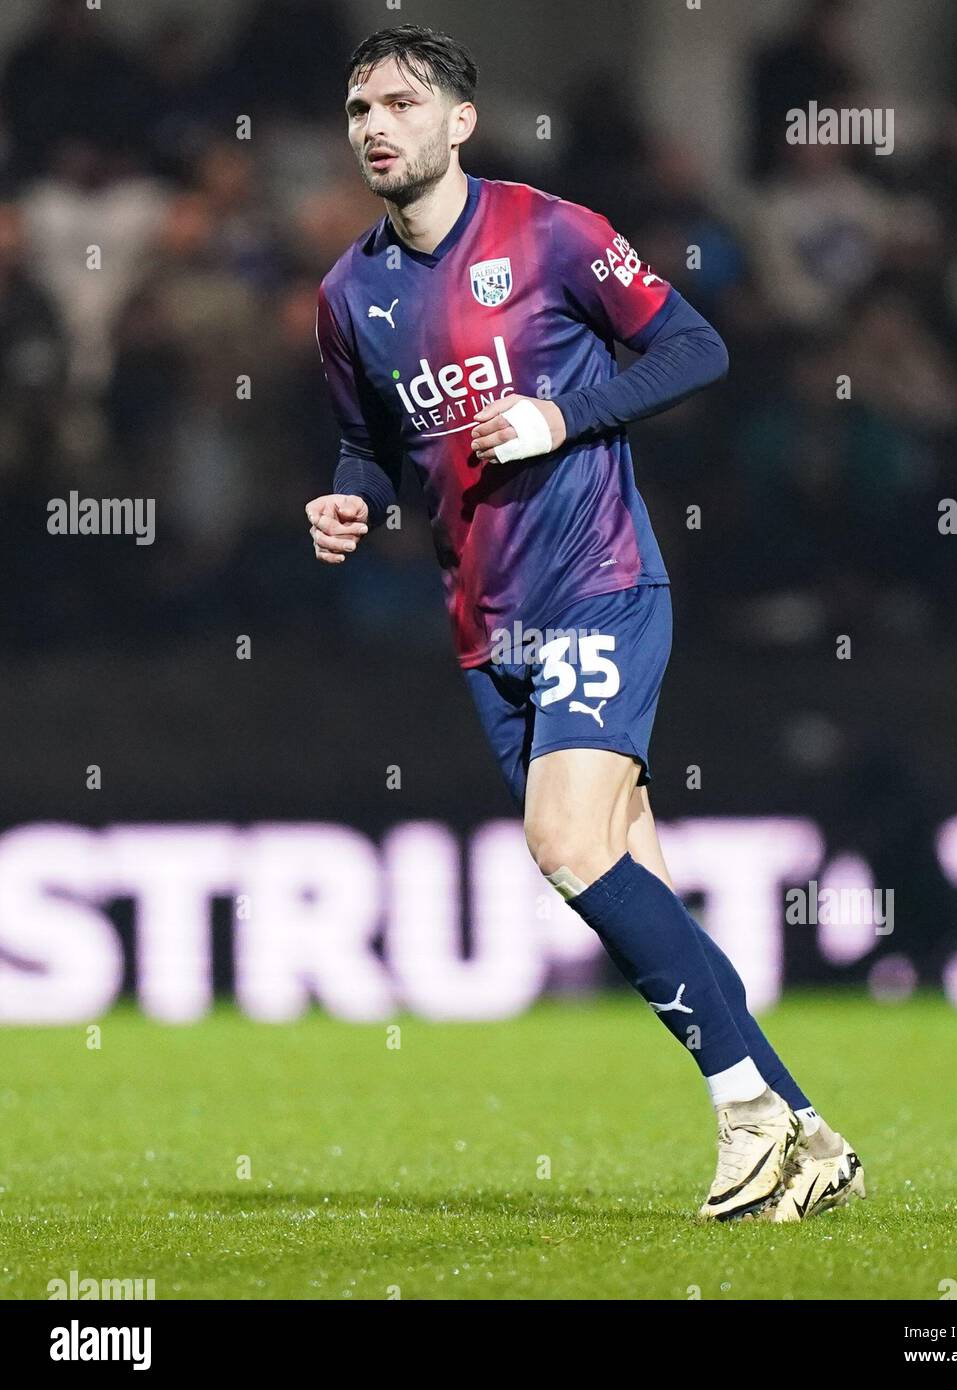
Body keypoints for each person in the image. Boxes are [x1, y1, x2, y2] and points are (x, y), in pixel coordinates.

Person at [306, 24, 863, 1223]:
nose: (375, 126)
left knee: (563, 842)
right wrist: (352, 495)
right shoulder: (349, 292)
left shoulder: (547, 231)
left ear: (459, 121)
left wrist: (563, 418)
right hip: (482, 620)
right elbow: (373, 441)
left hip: (598, 577)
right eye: (359, 109)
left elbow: (694, 346)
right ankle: (810, 1135)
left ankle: (746, 1118)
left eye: (401, 103)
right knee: (625, 875)